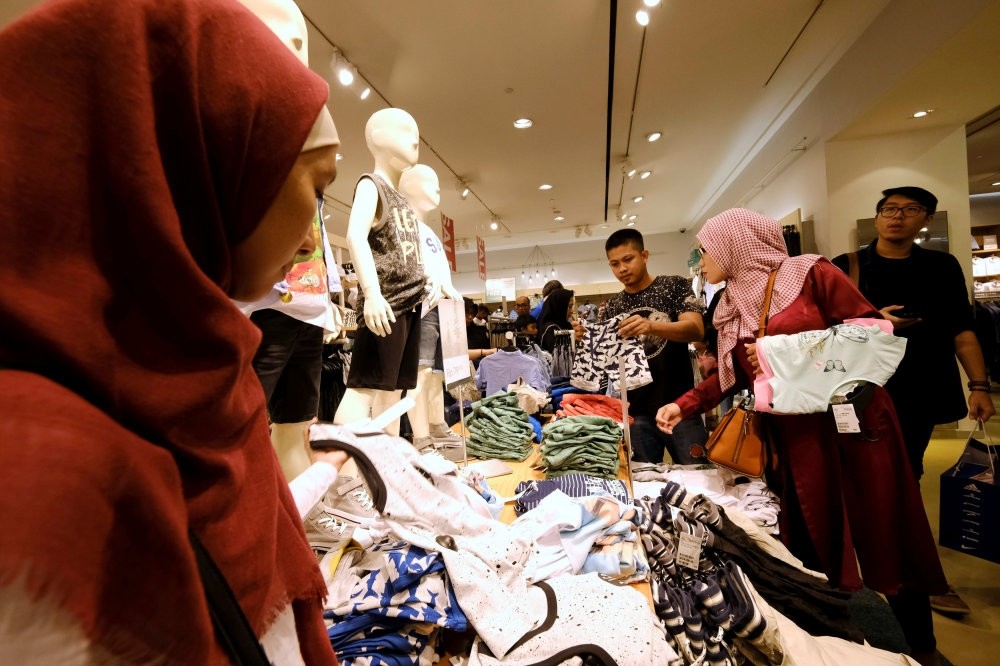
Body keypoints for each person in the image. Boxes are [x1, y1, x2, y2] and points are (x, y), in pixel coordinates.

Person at [0, 0, 342, 662]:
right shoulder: (39, 476)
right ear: (195, 158)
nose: (310, 237)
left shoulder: (205, 379)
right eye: (315, 187)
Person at [656, 209, 948, 666]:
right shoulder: (733, 302)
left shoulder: (813, 274)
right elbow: (733, 373)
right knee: (811, 526)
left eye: (705, 249)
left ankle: (920, 646)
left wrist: (777, 351)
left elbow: (871, 333)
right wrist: (684, 404)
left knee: (880, 523)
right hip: (793, 436)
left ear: (737, 243)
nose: (700, 262)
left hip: (850, 426)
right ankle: (837, 634)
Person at [831, 185, 994, 617]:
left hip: (922, 388)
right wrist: (872, 321)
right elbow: (821, 331)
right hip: (863, 394)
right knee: (860, 480)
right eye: (888, 209)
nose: (896, 216)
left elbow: (961, 328)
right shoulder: (847, 267)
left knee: (909, 477)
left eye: (908, 210)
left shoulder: (941, 266)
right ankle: (879, 571)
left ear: (925, 219)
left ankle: (910, 576)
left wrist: (979, 384)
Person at [234, 0, 343, 482]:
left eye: (303, 41)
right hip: (265, 307)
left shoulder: (303, 135)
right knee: (242, 429)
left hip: (310, 306)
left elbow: (315, 228)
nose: (297, 51)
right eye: (287, 36)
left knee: (296, 422)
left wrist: (332, 296)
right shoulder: (237, 125)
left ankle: (299, 520)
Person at [333, 107, 439, 435]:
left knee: (393, 394)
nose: (415, 138)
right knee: (363, 389)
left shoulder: (403, 201)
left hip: (409, 306)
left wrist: (428, 279)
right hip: (386, 306)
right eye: (405, 129)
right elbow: (355, 235)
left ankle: (387, 469)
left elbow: (405, 250)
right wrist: (373, 294)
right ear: (378, 137)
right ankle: (343, 477)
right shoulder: (371, 185)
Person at [600, 229, 708, 464]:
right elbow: (608, 360)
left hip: (679, 405)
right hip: (636, 411)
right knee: (643, 483)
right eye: (614, 264)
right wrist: (586, 337)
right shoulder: (613, 306)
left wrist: (651, 326)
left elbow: (696, 329)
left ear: (644, 255)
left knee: (699, 476)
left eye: (628, 259)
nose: (622, 269)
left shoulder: (674, 286)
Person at [398, 164, 465, 450]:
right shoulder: (403, 225)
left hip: (441, 308)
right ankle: (421, 438)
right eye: (430, 182)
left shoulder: (428, 232)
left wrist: (450, 290)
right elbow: (403, 265)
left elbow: (441, 271)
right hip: (420, 306)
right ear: (410, 186)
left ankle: (437, 427)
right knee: (420, 374)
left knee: (438, 374)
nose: (437, 189)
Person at [537, 287, 575, 353]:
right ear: (560, 306)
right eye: (569, 306)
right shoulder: (550, 329)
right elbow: (562, 356)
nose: (572, 311)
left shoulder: (564, 324)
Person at [465, 298, 497, 367]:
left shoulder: (475, 326)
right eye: (466, 313)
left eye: (472, 313)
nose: (470, 317)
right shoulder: (453, 332)